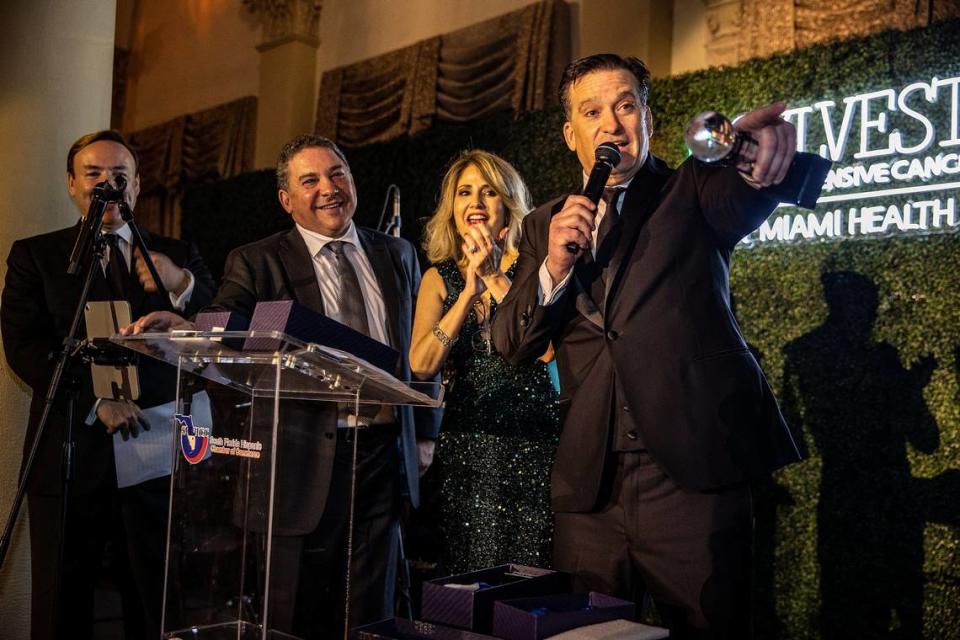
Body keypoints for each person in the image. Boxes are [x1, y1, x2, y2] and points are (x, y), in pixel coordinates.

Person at [491, 54, 803, 638]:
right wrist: (555, 264)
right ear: (571, 134)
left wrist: (759, 160)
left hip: (691, 478)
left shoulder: (694, 186)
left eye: (625, 105)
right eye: (592, 112)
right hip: (591, 489)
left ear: (648, 119)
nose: (611, 123)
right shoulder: (543, 224)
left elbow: (749, 189)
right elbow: (512, 341)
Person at [127, 133, 442, 637]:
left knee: (373, 606)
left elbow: (424, 347)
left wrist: (424, 429)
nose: (329, 188)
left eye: (337, 173)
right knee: (296, 609)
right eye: (310, 180)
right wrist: (184, 317)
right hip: (301, 459)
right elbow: (222, 321)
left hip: (383, 453)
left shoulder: (398, 253)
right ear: (286, 199)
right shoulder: (258, 260)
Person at [1, 130, 216, 639]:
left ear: (137, 187)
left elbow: (219, 320)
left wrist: (180, 285)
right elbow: (26, 348)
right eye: (94, 174)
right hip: (72, 450)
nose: (108, 184)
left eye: (120, 175)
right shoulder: (37, 256)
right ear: (73, 185)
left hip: (157, 453)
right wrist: (98, 401)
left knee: (153, 598)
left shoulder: (175, 252)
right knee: (62, 603)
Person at [409, 150, 560, 575]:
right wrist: (465, 296)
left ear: (507, 203)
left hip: (537, 445)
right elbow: (421, 364)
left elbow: (544, 350)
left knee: (532, 578)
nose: (475, 202)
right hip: (468, 451)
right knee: (470, 575)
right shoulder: (437, 278)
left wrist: (494, 278)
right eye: (464, 192)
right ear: (452, 209)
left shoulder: (539, 266)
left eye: (487, 191)